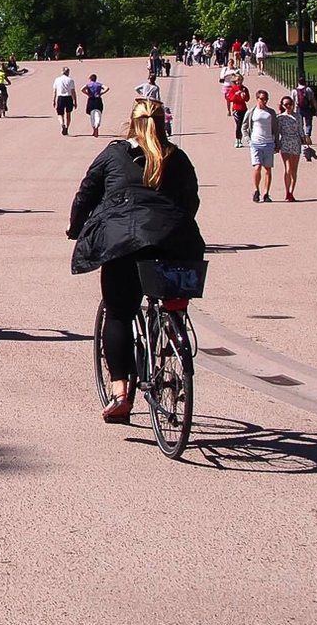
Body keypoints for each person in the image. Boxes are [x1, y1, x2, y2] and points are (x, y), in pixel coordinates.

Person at [67, 99, 203, 422]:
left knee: (118, 313)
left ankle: (120, 393)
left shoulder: (114, 155)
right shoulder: (177, 157)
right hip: (176, 241)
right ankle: (172, 338)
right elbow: (191, 201)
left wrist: (75, 227)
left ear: (131, 123)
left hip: (124, 242)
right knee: (172, 298)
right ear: (162, 124)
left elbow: (86, 194)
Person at [242, 88, 281, 202]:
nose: (264, 101)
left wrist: (277, 143)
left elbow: (276, 129)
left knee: (268, 169)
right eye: (262, 99)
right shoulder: (252, 112)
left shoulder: (271, 112)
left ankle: (266, 193)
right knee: (257, 167)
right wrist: (248, 140)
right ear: (257, 99)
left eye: (266, 99)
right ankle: (256, 190)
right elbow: (244, 127)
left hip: (268, 143)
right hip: (256, 143)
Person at [276, 95, 310, 202]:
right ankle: (287, 192)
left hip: (296, 142)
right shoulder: (280, 118)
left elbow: (301, 130)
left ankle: (291, 192)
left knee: (294, 169)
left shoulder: (298, 116)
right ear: (282, 105)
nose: (288, 106)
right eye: (286, 104)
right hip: (285, 142)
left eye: (290, 104)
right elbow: (277, 132)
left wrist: (305, 143)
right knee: (288, 168)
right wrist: (276, 144)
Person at [224, 73, 250, 147]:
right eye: (237, 80)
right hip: (236, 109)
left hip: (243, 109)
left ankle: (240, 140)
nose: (238, 82)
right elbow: (230, 99)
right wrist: (236, 94)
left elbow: (247, 99)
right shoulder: (233, 89)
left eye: (240, 80)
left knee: (243, 125)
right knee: (238, 124)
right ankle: (237, 139)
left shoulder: (244, 89)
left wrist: (244, 95)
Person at [52, 66, 78, 135]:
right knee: (68, 114)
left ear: (62, 72)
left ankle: (62, 124)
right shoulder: (70, 80)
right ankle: (67, 127)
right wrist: (75, 101)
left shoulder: (57, 80)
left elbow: (55, 91)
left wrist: (53, 100)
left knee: (60, 114)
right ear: (68, 72)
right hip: (68, 98)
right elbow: (73, 91)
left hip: (60, 97)